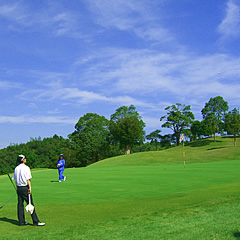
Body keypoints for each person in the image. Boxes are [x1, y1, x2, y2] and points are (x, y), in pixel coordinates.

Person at [13, 154, 45, 226]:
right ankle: (36, 221)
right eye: (25, 158)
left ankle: (21, 222)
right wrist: (30, 188)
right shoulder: (26, 168)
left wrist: (17, 189)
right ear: (22, 160)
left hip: (19, 188)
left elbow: (15, 180)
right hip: (25, 187)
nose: (25, 159)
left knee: (20, 205)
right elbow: (28, 179)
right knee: (30, 204)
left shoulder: (16, 168)